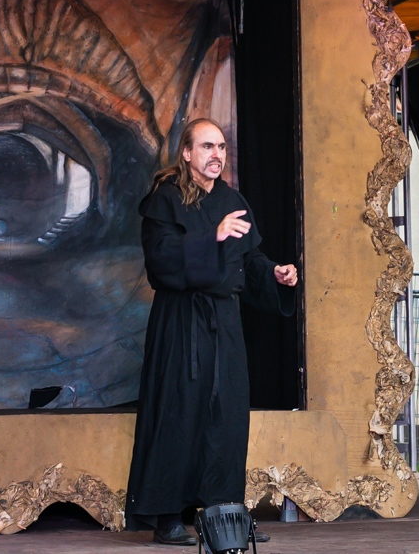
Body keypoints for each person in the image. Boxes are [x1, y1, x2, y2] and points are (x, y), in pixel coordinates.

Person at [125, 118, 299, 546]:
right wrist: (211, 238)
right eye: (207, 146)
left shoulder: (231, 200)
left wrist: (274, 273)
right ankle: (167, 516)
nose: (216, 154)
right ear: (186, 153)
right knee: (178, 412)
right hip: (181, 321)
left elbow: (248, 260)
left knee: (226, 417)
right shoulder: (165, 200)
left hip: (224, 323)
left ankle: (225, 514)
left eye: (221, 146)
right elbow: (161, 262)